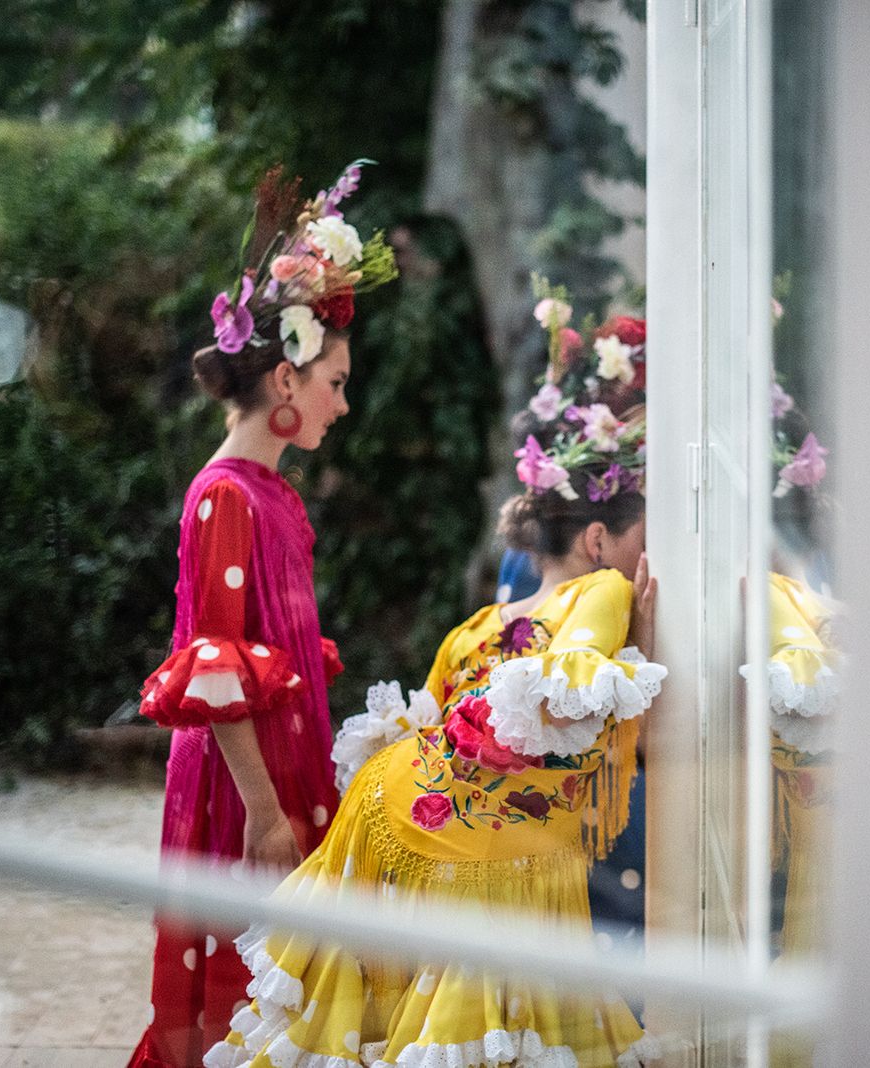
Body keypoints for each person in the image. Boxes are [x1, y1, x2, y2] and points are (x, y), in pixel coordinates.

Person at [205, 291, 665, 1068]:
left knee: (417, 1029)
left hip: (394, 810)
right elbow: (576, 684)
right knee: (481, 1036)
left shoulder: (481, 623)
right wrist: (641, 649)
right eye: (640, 540)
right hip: (488, 854)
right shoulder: (607, 592)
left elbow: (444, 715)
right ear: (596, 538)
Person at [128, 162, 396, 1068]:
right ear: (286, 379)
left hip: (282, 765)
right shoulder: (224, 498)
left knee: (291, 982)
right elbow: (214, 660)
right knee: (251, 988)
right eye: (336, 382)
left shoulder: (272, 496)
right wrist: (265, 811)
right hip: (245, 787)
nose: (345, 404)